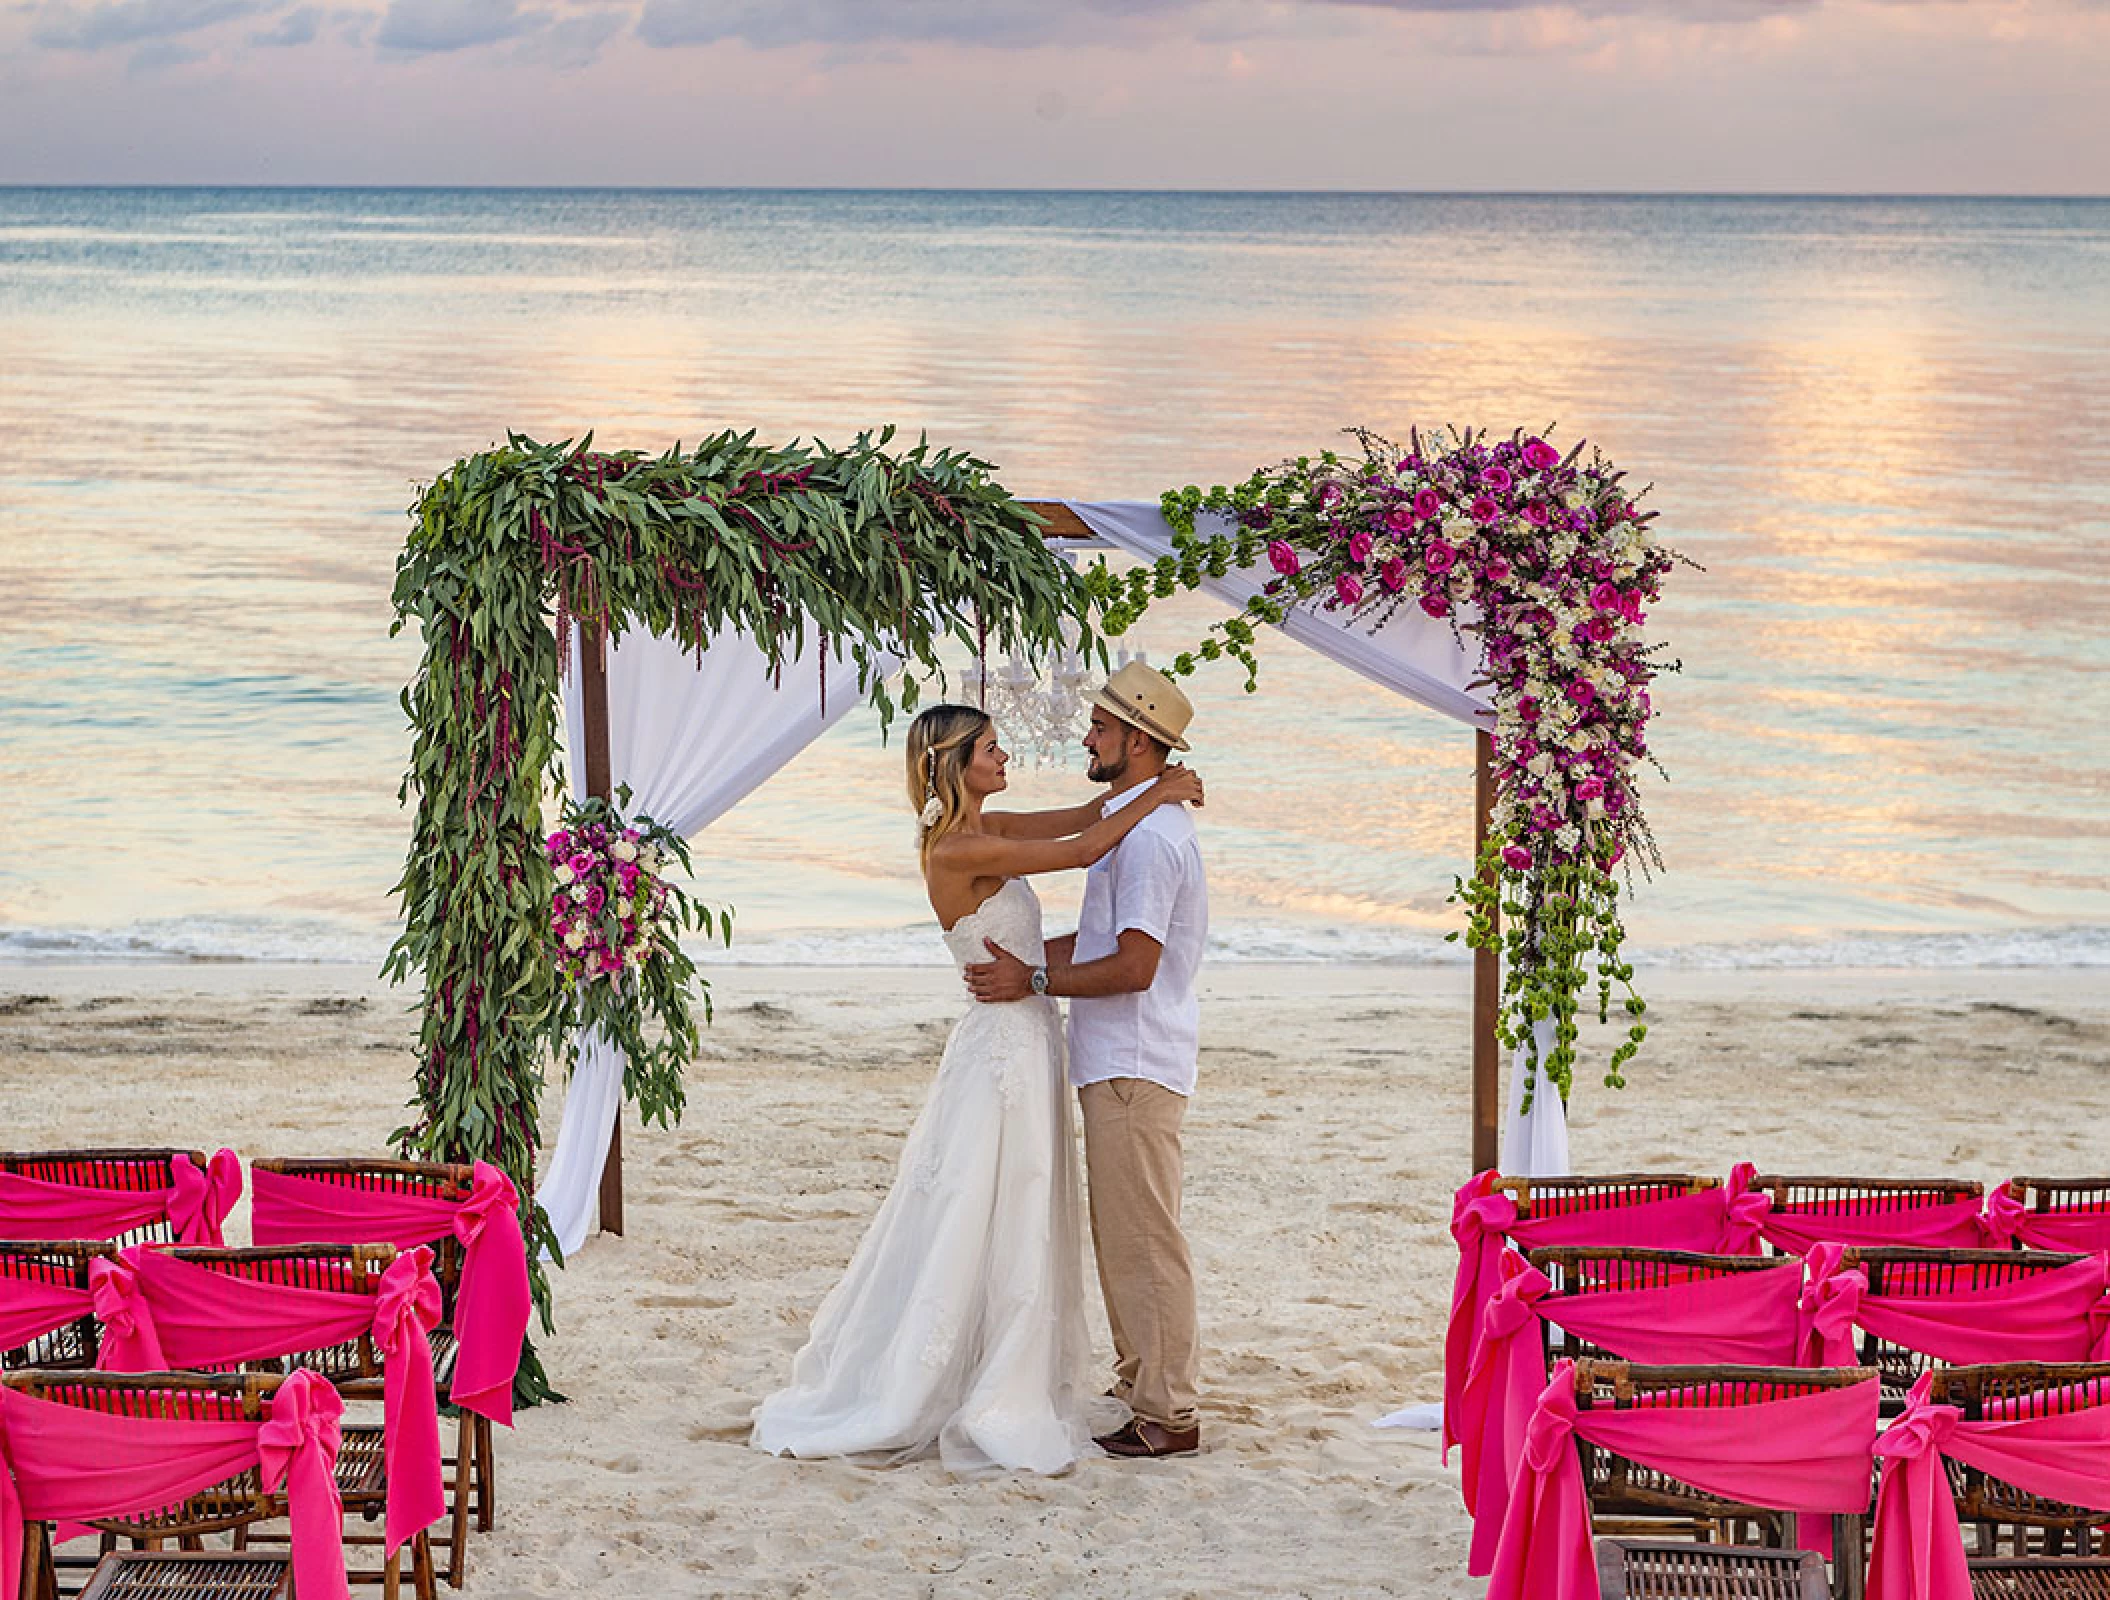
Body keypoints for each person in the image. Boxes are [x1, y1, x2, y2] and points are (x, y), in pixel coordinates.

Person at [750, 702, 1203, 1475]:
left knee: (1022, 1200)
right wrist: (1159, 794)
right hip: (1006, 1041)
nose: (1007, 756)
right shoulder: (959, 849)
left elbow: (1093, 811)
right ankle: (971, 1374)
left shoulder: (993, 827)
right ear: (955, 764)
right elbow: (1088, 844)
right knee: (987, 1199)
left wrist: (1152, 782)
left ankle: (1028, 1364)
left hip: (1031, 1038)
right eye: (992, 749)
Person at [964, 662, 1210, 1460]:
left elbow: (1134, 965)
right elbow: (1100, 940)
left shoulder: (1148, 844)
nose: (1086, 737)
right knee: (1123, 1232)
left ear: (1137, 742)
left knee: (1144, 1237)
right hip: (1118, 1056)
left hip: (1135, 1060)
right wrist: (1030, 959)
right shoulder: (1136, 825)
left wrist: (1034, 977)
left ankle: (1169, 1411)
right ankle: (1143, 1381)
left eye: (1100, 728)